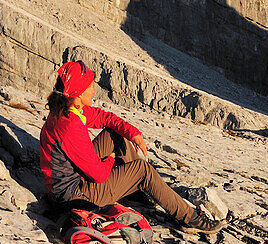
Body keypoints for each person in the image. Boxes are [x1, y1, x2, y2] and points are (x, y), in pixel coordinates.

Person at [39, 60, 222, 232]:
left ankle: (136, 187)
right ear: (78, 93)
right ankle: (190, 218)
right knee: (143, 169)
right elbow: (99, 175)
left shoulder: (68, 109)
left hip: (72, 181)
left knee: (114, 134)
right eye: (90, 87)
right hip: (74, 196)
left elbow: (104, 118)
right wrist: (110, 160)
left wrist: (133, 133)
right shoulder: (70, 125)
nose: (94, 92)